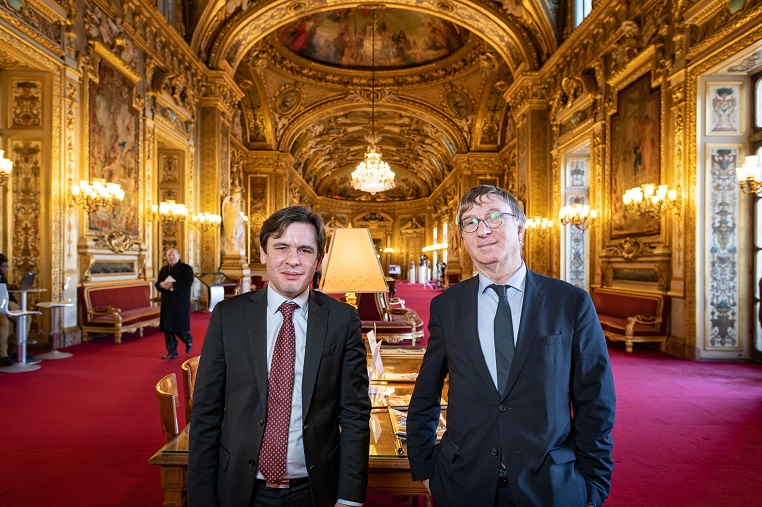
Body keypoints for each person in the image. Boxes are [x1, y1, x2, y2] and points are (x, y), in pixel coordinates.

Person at [407, 185, 616, 507]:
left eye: (493, 216)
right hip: (463, 483)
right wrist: (424, 467)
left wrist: (595, 483)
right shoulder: (447, 306)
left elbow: (595, 399)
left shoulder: (570, 303)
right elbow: (425, 393)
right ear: (463, 237)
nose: (483, 229)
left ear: (519, 228)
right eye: (470, 222)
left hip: (549, 485)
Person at [188, 206, 371, 507]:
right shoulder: (228, 317)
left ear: (319, 260)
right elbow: (206, 414)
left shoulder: (342, 321)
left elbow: (355, 414)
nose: (293, 260)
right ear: (263, 253)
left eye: (305, 250)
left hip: (315, 491)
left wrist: (349, 498)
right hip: (239, 488)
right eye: (281, 247)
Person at [155, 248, 194, 360]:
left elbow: (187, 284)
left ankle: (188, 339)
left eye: (173, 255)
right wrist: (161, 285)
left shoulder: (186, 269)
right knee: (167, 328)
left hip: (180, 302)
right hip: (167, 301)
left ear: (178, 255)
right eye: (168, 255)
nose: (170, 257)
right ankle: (172, 352)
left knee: (179, 327)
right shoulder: (164, 269)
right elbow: (158, 283)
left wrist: (173, 286)